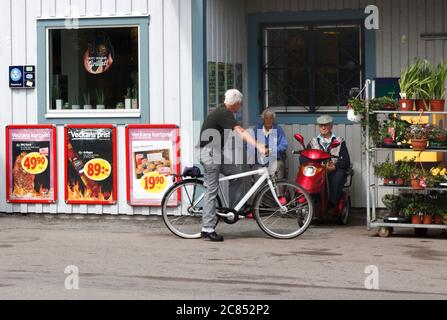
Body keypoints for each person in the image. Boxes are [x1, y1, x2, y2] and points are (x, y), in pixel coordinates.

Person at [199, 89, 268, 242]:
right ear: (236, 103)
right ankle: (207, 228)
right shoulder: (224, 113)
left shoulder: (223, 111)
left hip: (215, 152)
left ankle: (232, 210)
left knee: (235, 175)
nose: (240, 107)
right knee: (212, 189)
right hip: (209, 153)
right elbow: (241, 132)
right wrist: (259, 146)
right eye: (240, 104)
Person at [303, 115, 351, 209]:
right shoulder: (313, 142)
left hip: (333, 170)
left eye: (326, 125)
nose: (323, 127)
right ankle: (306, 203)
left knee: (339, 174)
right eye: (321, 125)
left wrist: (334, 166)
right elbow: (304, 157)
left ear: (331, 126)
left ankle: (331, 204)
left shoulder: (339, 141)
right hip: (317, 172)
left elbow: (345, 160)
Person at [252, 108, 288, 179]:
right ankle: (261, 190)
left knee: (276, 171)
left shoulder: (278, 129)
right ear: (263, 119)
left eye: (271, 118)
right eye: (266, 118)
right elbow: (249, 145)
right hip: (259, 162)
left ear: (273, 119)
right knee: (259, 178)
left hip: (275, 160)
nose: (268, 120)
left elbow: (284, 145)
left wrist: (271, 150)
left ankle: (277, 190)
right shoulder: (257, 129)